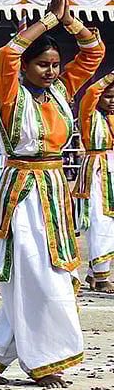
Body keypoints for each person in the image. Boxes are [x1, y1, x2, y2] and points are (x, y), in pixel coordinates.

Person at [0, 0, 104, 388]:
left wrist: (70, 21)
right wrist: (47, 20)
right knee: (39, 276)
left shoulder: (60, 92)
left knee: (46, 275)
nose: (52, 70)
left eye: (55, 63)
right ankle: (43, 361)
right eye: (42, 64)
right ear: (26, 68)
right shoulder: (11, 97)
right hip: (24, 195)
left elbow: (93, 53)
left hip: (53, 191)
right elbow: (6, 54)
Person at [74, 70, 114, 292]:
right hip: (96, 175)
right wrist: (110, 76)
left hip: (113, 174)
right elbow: (90, 92)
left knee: (111, 226)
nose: (112, 102)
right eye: (108, 97)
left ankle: (94, 274)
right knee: (100, 223)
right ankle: (100, 278)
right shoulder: (89, 114)